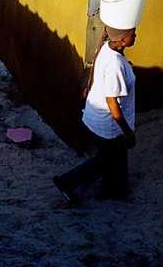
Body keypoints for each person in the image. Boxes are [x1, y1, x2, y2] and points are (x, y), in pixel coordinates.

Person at [53, 26, 137, 202]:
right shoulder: (115, 64)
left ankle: (114, 191)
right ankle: (67, 182)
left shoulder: (106, 47)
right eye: (132, 34)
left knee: (115, 159)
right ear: (122, 40)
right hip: (109, 124)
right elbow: (112, 103)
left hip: (97, 117)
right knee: (106, 161)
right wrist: (127, 132)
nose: (135, 36)